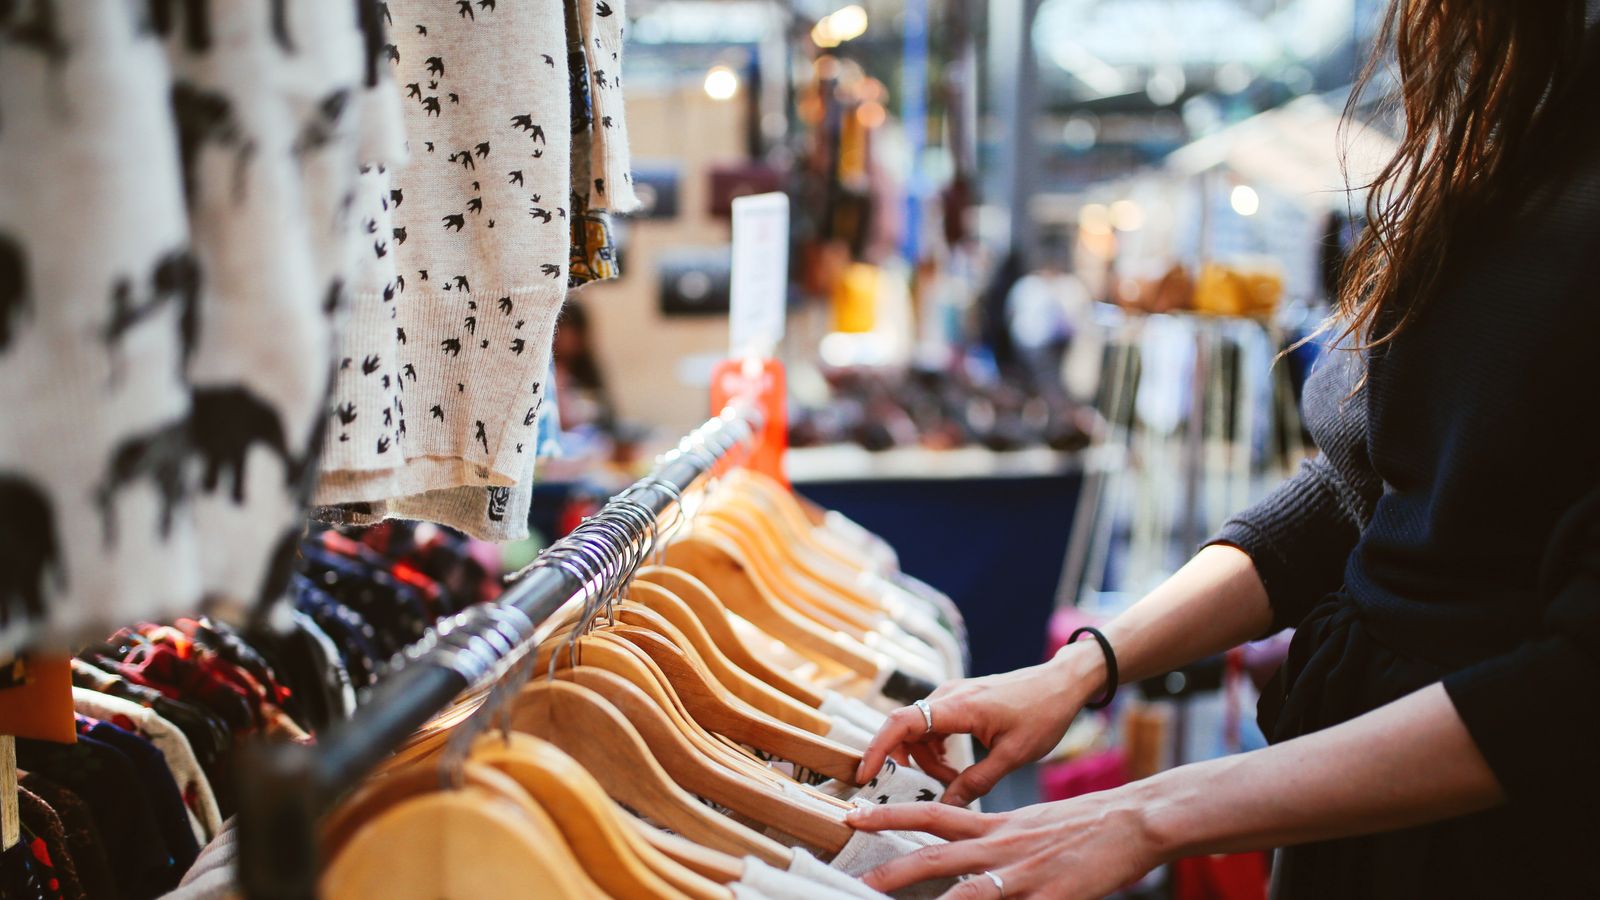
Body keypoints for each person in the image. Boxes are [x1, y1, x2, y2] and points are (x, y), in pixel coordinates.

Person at [845, 3, 1600, 898]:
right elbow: (1377, 486)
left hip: (1498, 851)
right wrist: (1084, 666)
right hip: (1355, 823)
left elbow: (1573, 688)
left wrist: (1146, 814)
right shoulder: (1523, 119)